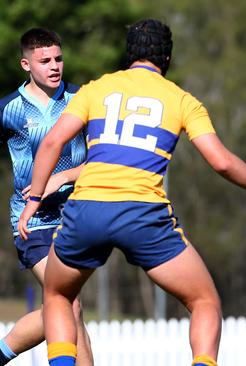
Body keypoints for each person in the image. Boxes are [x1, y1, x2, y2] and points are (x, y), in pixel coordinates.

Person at [18, 18, 246, 366]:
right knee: (205, 302)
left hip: (87, 209)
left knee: (57, 294)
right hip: (142, 214)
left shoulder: (97, 88)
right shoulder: (182, 100)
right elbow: (221, 162)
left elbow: (52, 141)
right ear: (167, 59)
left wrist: (34, 201)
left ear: (128, 55)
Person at [0, 27, 93, 365]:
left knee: (65, 309)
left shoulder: (82, 100)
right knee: (68, 302)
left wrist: (63, 177)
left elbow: (105, 159)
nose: (54, 66)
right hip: (31, 219)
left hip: (78, 217)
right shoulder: (7, 109)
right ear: (26, 65)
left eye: (58, 58)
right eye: (44, 61)